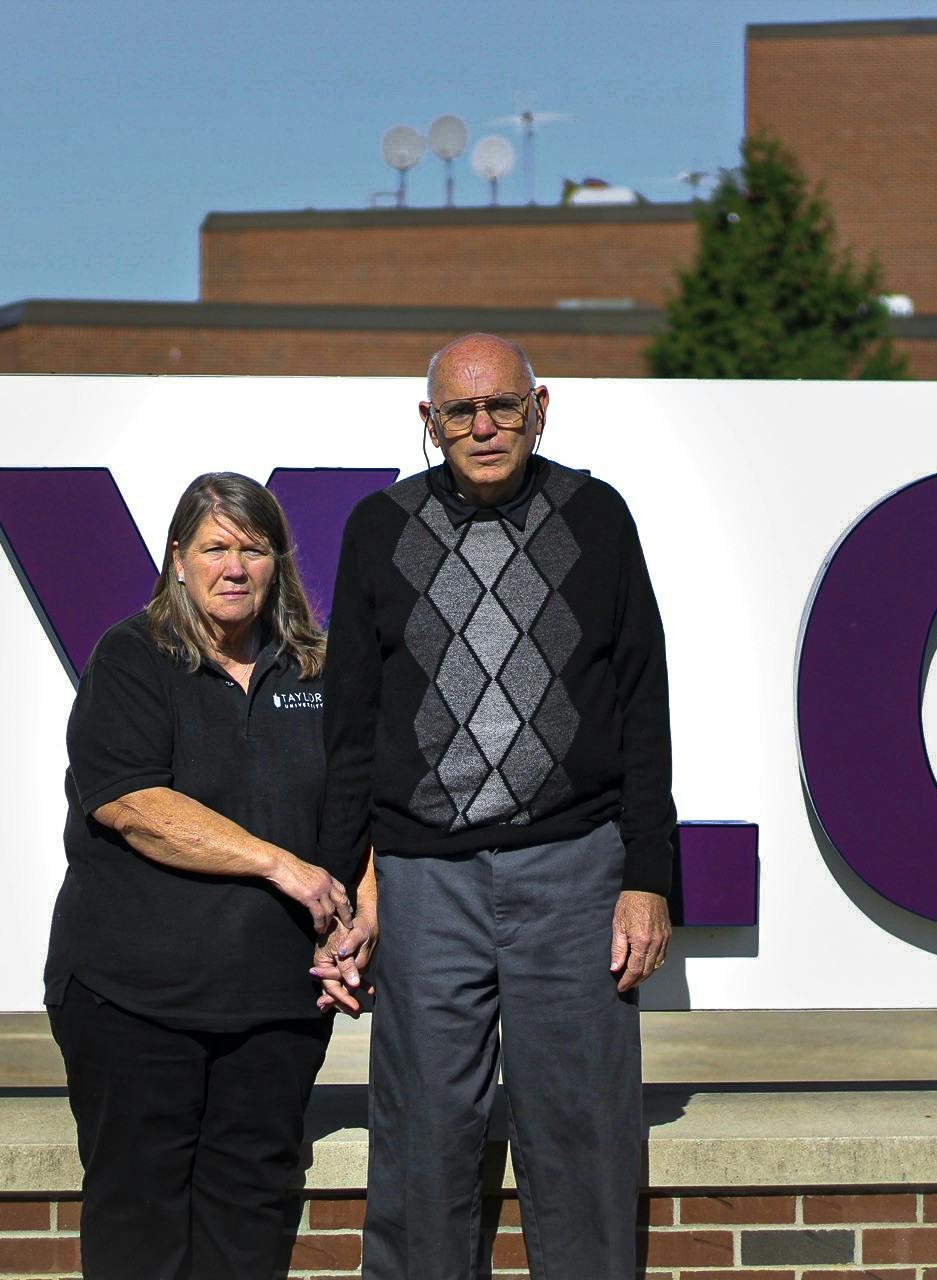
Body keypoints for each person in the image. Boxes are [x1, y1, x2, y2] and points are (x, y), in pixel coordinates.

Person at [314, 333, 676, 1278]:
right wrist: (348, 890)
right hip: (424, 878)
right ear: (427, 422)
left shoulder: (598, 518)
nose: (484, 427)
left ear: (540, 407)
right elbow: (348, 730)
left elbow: (645, 709)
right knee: (424, 1132)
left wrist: (647, 879)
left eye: (503, 406)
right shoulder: (376, 529)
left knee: (584, 1136)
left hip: (575, 870)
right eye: (461, 412)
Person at [45, 472, 355, 1280]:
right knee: (138, 1220)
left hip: (277, 1008)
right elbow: (131, 804)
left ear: (278, 563)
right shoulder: (134, 655)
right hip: (135, 1001)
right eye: (215, 547)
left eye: (254, 549)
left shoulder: (319, 670)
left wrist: (361, 920)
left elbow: (368, 810)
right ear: (177, 559)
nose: (234, 567)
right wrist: (282, 866)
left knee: (250, 1222)